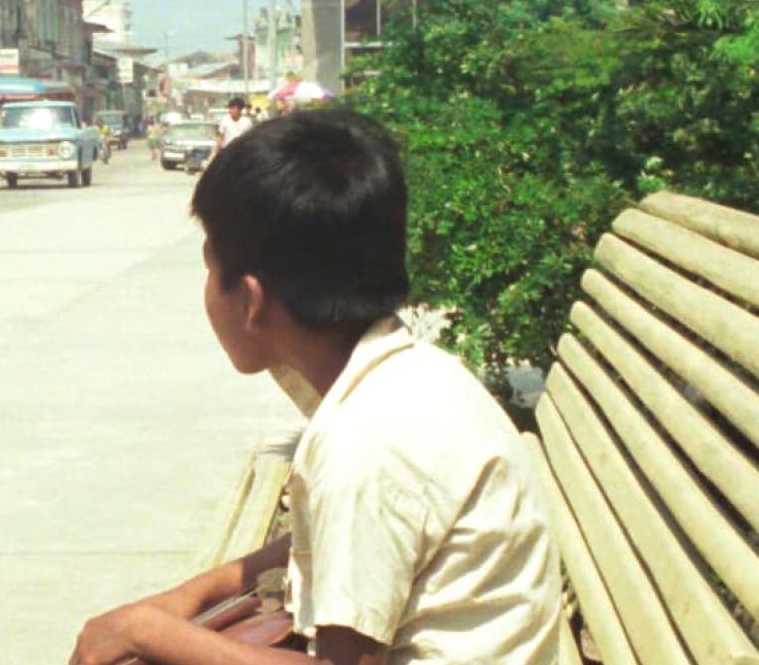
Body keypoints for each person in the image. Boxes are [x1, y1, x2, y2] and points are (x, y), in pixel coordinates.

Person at [69, 110, 561, 665]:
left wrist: (146, 632)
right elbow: (322, 544)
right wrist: (190, 596)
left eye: (210, 269)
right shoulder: (407, 377)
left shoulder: (364, 445)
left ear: (251, 301)